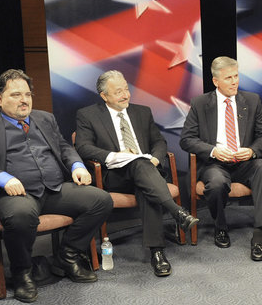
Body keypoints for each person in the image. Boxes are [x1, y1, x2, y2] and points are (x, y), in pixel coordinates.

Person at [0, 69, 114, 303]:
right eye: (16, 95)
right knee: (21, 215)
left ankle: (67, 256)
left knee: (101, 200)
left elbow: (63, 147)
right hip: (15, 195)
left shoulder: (44, 118)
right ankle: (22, 272)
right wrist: (2, 177)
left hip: (53, 189)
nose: (24, 100)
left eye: (28, 95)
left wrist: (77, 166)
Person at [74, 70, 200, 277]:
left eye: (126, 89)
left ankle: (157, 252)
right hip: (115, 175)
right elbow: (83, 147)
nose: (125, 95)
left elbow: (158, 141)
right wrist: (116, 155)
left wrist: (156, 158)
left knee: (145, 179)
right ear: (104, 96)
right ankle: (176, 211)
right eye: (118, 92)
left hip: (146, 173)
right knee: (141, 168)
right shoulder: (88, 115)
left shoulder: (142, 112)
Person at [179, 56, 262, 261]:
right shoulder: (200, 103)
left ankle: (259, 234)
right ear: (216, 81)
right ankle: (220, 226)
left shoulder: (252, 100)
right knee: (216, 183)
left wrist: (251, 151)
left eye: (236, 76)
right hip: (215, 163)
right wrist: (212, 150)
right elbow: (186, 140)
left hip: (245, 162)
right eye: (229, 78)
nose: (234, 82)